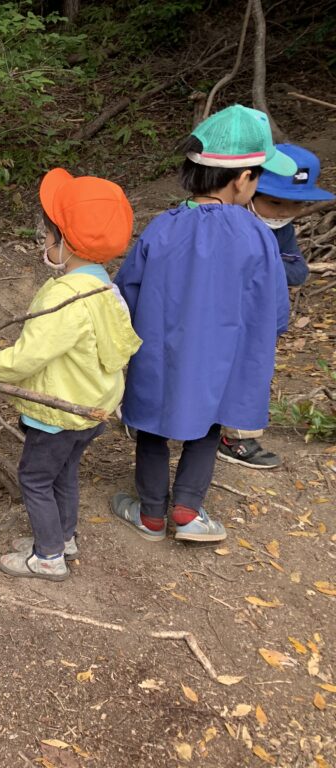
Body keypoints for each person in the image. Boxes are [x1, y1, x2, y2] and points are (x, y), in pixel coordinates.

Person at [0, 169, 141, 581]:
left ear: (65, 243)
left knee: (34, 478)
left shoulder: (65, 296)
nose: (44, 243)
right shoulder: (106, 289)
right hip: (92, 408)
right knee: (63, 473)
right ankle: (63, 537)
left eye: (48, 235)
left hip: (59, 412)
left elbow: (26, 359)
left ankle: (49, 556)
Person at [112, 105, 295, 544]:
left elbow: (126, 294)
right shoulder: (257, 236)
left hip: (161, 356)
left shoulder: (161, 228)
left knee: (151, 427)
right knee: (210, 425)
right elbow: (275, 311)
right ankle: (188, 511)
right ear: (242, 179)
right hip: (223, 360)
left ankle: (151, 515)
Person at [219, 142, 333, 469]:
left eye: (295, 204)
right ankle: (148, 421)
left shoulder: (283, 231)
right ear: (248, 187)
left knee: (249, 375)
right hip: (216, 315)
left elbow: (298, 272)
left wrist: (263, 260)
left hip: (257, 321)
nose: (284, 212)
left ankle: (236, 438)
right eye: (275, 202)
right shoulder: (223, 221)